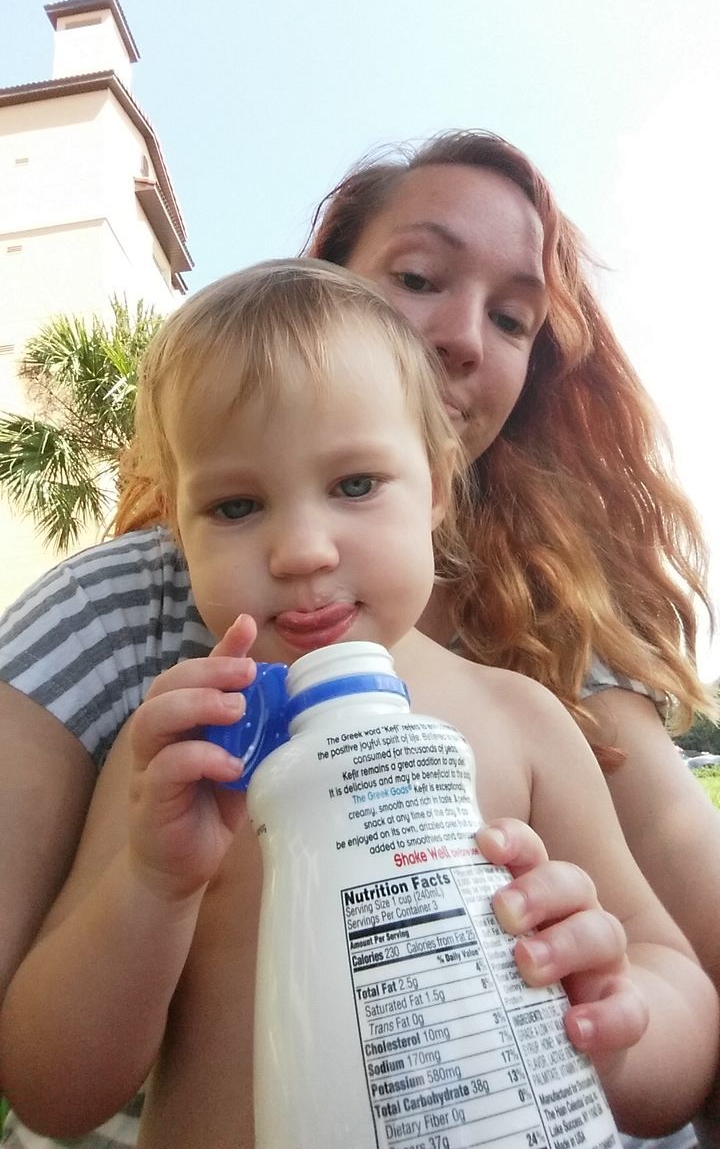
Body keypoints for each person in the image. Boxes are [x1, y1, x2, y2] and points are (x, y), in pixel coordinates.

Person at [0, 131, 718, 1148]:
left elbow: (672, 969)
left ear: (435, 487)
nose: (300, 549)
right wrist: (151, 887)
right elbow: (51, 1089)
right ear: (181, 530)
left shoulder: (520, 721)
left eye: (353, 485)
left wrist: (623, 1019)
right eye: (236, 504)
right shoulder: (181, 757)